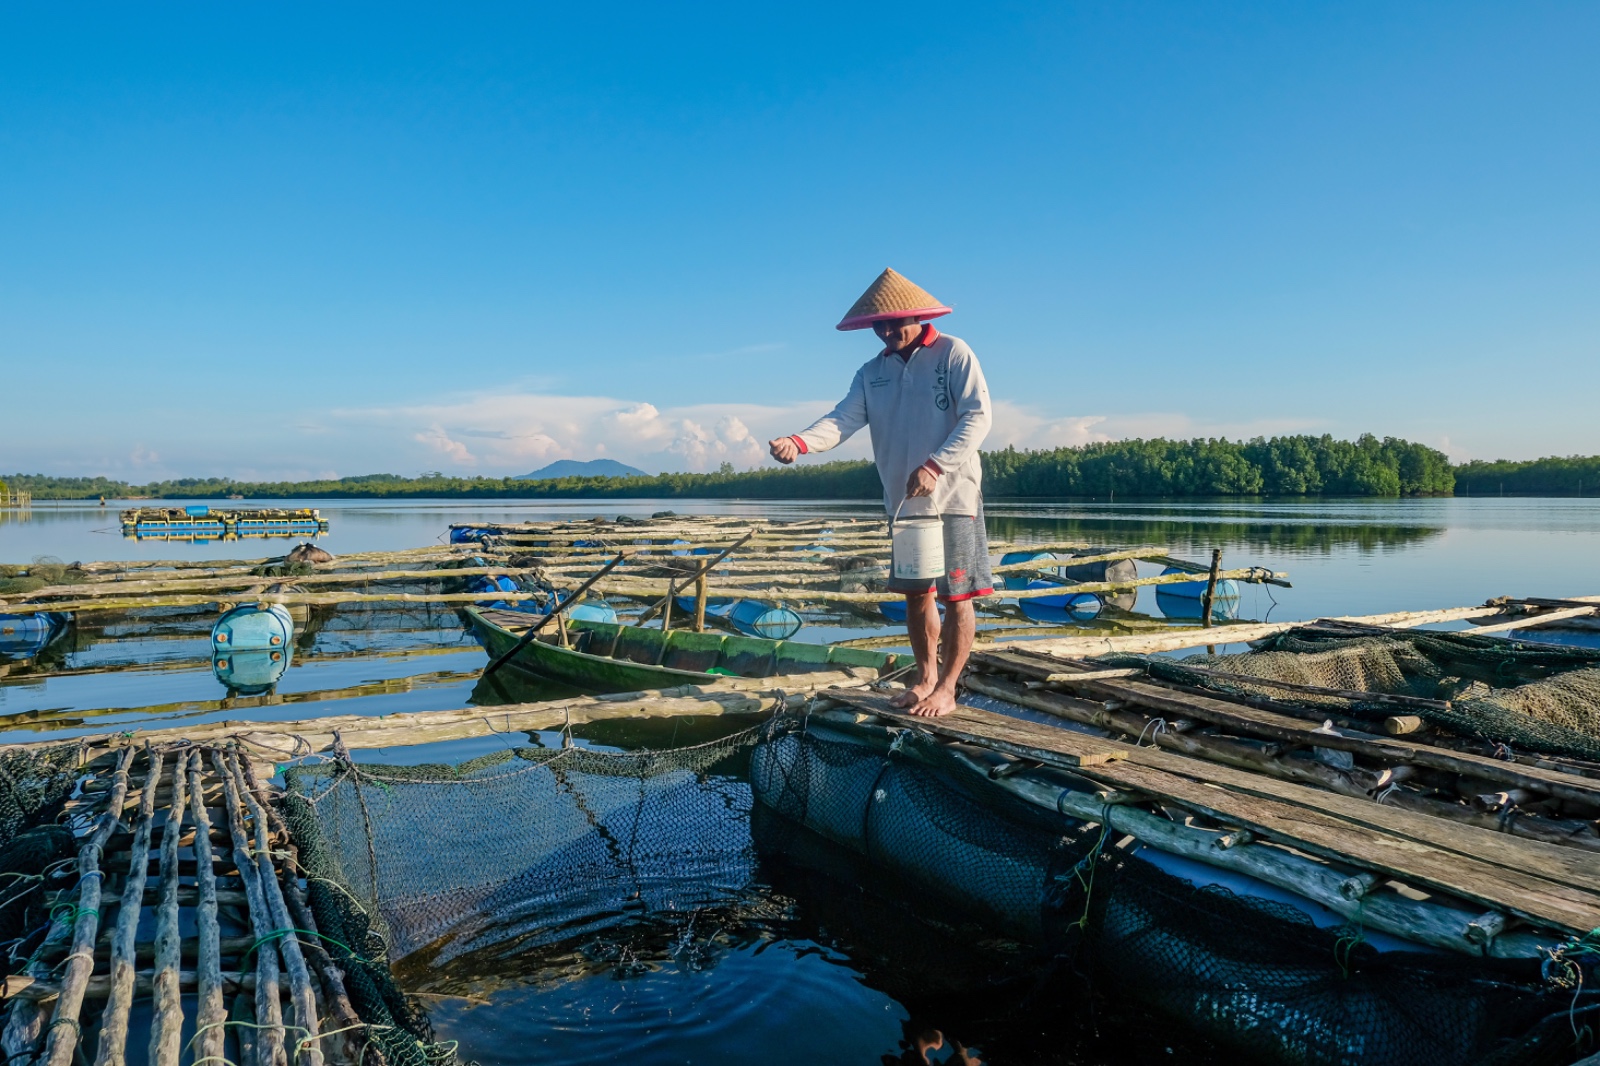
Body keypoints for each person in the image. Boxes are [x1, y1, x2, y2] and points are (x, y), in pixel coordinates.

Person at [769, 268, 993, 717]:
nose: (889, 332)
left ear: (918, 316)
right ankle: (925, 677)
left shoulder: (953, 354)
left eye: (896, 323)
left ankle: (948, 687)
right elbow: (841, 420)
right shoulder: (872, 372)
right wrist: (799, 442)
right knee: (916, 594)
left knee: (958, 595)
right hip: (905, 504)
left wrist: (936, 464)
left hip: (953, 497)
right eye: (880, 325)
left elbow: (978, 417)